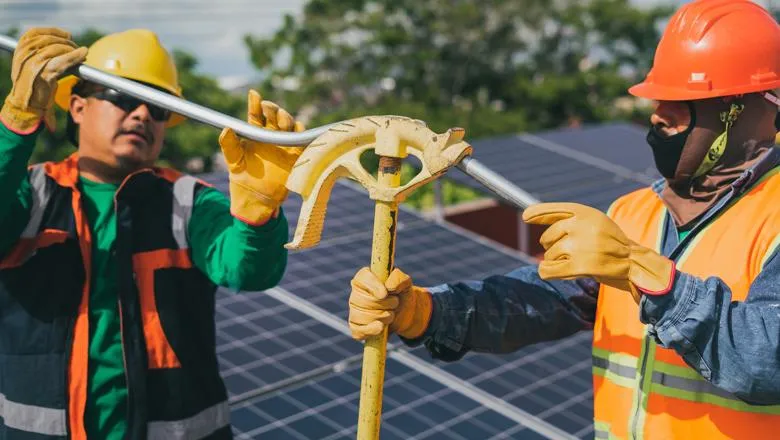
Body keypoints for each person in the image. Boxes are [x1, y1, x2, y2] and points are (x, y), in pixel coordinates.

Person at [347, 1, 780, 439]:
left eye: (683, 103)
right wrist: (425, 311)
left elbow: (765, 362)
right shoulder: (632, 214)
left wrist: (641, 270)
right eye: (659, 97)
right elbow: (540, 301)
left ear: (741, 113)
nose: (657, 114)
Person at [0, 27, 303, 439]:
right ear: (77, 106)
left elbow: (251, 271)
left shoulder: (190, 201)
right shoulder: (29, 195)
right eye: (123, 97)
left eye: (157, 108)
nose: (142, 114)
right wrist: (15, 125)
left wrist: (259, 213)